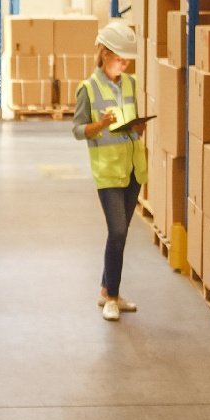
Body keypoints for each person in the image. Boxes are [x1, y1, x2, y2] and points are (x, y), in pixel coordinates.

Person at [73, 20, 146, 322]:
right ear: (104, 53)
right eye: (120, 58)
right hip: (107, 171)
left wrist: (139, 127)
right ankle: (112, 297)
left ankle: (106, 291)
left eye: (127, 59)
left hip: (133, 169)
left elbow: (134, 122)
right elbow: (78, 130)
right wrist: (100, 125)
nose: (124, 63)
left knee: (121, 233)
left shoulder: (130, 83)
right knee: (117, 231)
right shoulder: (88, 89)